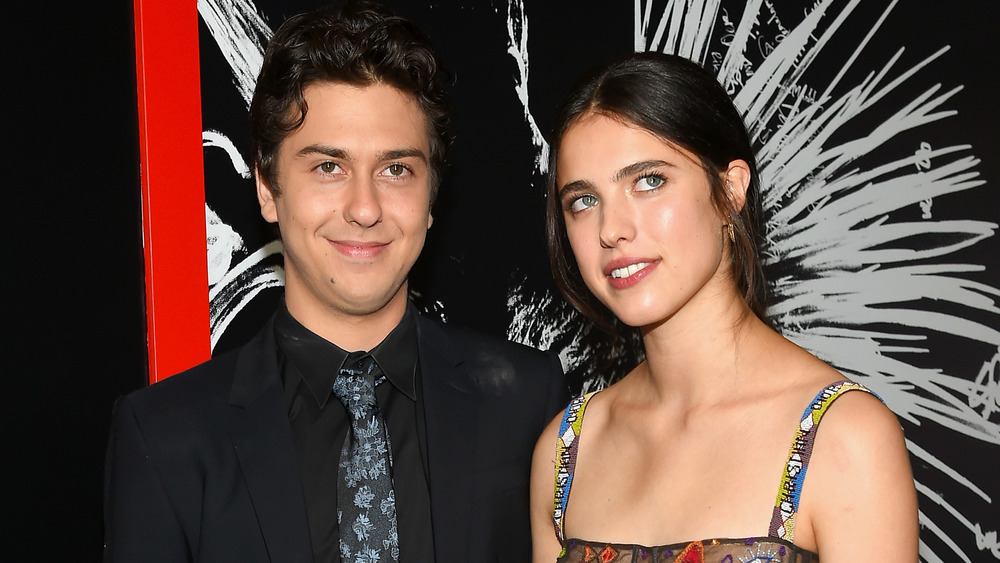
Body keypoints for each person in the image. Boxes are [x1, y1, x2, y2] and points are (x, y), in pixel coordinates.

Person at [103, 2, 567, 562]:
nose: (365, 208)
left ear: (430, 199)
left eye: (396, 169)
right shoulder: (164, 437)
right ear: (267, 190)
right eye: (328, 167)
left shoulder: (527, 402)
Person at [530, 52, 918, 562]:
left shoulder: (846, 438)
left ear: (730, 189)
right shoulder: (565, 452)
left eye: (648, 181)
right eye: (583, 200)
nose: (611, 228)